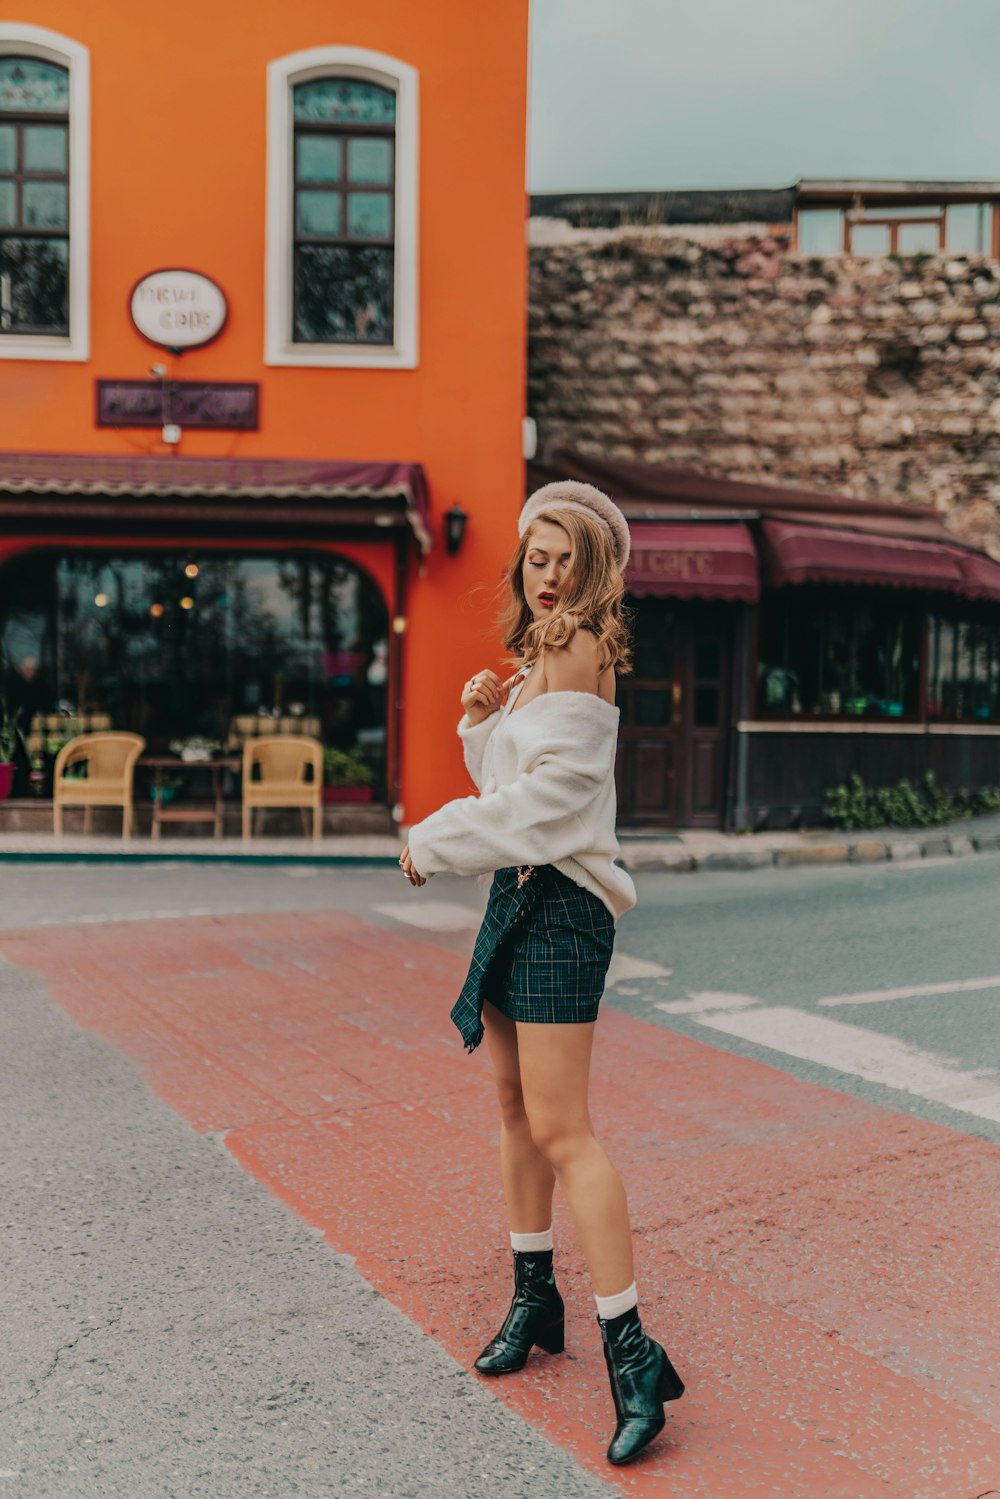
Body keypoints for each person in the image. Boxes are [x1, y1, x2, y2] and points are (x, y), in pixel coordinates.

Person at [400, 481, 684, 1466]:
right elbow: (514, 789)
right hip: (522, 895)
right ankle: (535, 1297)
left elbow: (552, 807)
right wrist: (482, 721)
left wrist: (428, 839)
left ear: (596, 565)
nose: (549, 571)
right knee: (517, 1111)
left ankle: (634, 1357)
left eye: (567, 554)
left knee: (565, 1127)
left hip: (562, 905)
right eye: (536, 554)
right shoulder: (535, 661)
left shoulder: (580, 646)